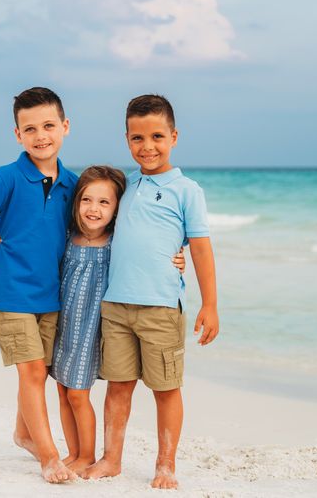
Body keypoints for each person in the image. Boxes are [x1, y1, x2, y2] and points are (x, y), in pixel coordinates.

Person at [0, 166, 186, 475]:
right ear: (77, 202)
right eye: (86, 200)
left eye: (104, 202)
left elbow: (148, 248)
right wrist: (4, 242)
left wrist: (175, 257)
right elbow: (37, 246)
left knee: (79, 395)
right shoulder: (69, 237)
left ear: (117, 208)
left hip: (90, 331)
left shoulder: (117, 242)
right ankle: (73, 452)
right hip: (63, 326)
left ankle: (86, 456)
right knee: (63, 392)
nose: (93, 209)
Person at [83, 94, 220, 489]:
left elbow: (200, 248)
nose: (148, 146)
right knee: (118, 386)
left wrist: (209, 304)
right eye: (137, 138)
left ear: (174, 136)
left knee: (165, 388)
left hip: (161, 307)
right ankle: (111, 459)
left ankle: (165, 464)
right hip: (115, 306)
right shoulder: (125, 186)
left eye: (157, 136)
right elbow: (92, 220)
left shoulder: (186, 190)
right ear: (127, 139)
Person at [0, 87, 77, 484]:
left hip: (53, 293)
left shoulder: (74, 184)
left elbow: (92, 230)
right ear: (17, 134)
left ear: (65, 127)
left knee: (39, 369)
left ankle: (24, 433)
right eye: (30, 128)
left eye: (48, 126)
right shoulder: (6, 177)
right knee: (32, 373)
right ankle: (49, 456)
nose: (41, 135)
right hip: (11, 289)